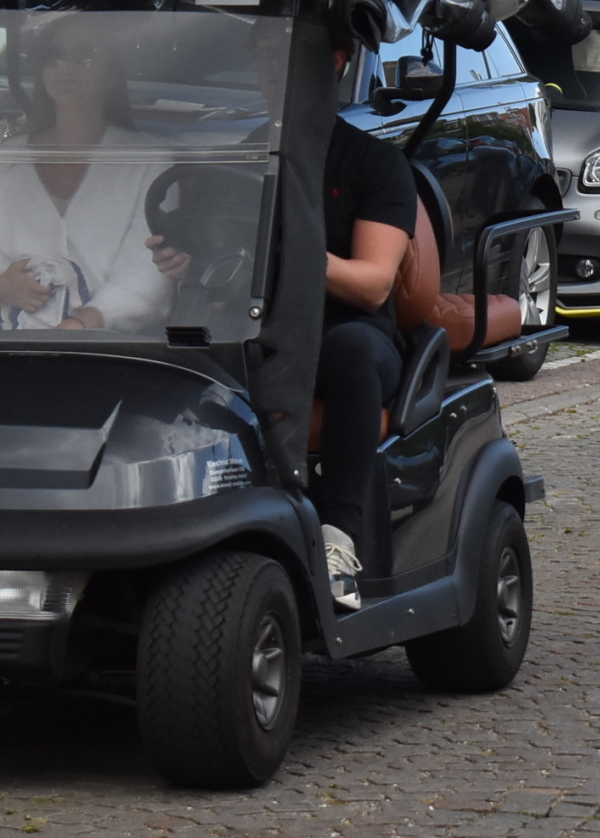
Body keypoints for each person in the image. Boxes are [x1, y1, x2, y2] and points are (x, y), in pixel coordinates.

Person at [150, 35, 414, 610]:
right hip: (256, 326)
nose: (272, 68)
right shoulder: (244, 156)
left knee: (348, 353)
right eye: (265, 55)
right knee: (175, 349)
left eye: (289, 56)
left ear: (337, 61)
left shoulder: (375, 164)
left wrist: (297, 250)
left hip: (347, 332)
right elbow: (217, 253)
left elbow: (372, 284)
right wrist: (185, 258)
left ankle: (338, 535)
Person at [0, 19, 173, 336]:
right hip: (13, 351)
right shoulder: (7, 163)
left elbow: (146, 278)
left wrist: (78, 325)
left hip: (121, 356)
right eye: (53, 56)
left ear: (112, 74)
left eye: (84, 56)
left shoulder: (150, 163)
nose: (65, 67)